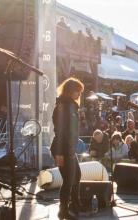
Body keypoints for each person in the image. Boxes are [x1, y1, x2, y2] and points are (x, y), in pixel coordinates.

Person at [50, 78, 84, 220]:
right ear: (71, 91)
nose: (79, 94)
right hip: (63, 149)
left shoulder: (71, 106)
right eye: (78, 91)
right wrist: (59, 153)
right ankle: (63, 211)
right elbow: (61, 131)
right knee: (68, 181)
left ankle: (75, 206)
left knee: (76, 176)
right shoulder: (63, 106)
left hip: (69, 149)